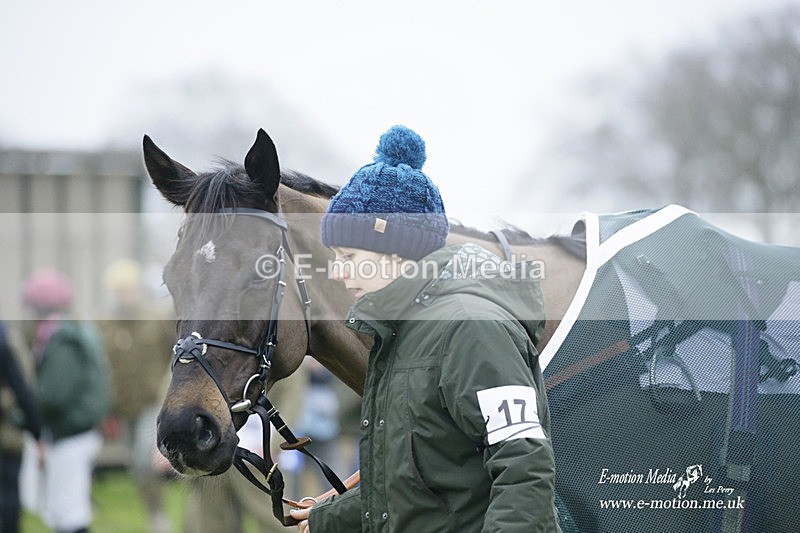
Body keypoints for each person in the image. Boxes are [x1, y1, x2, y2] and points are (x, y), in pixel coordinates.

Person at [290, 125, 560, 532]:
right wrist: (327, 520)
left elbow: (525, 468)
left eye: (349, 255)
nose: (341, 274)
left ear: (397, 248)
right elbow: (410, 483)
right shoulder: (399, 336)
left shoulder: (472, 328)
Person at [22, 268, 111, 533]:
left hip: (71, 434)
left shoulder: (63, 339)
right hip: (73, 431)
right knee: (63, 507)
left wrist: (20, 414)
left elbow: (53, 397)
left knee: (69, 511)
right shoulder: (68, 332)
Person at [97, 259, 174, 533]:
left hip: (153, 401)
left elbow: (173, 355)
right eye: (119, 290)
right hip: (121, 406)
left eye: (128, 289)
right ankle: (153, 510)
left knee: (145, 456)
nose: (124, 296)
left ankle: (160, 517)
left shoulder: (156, 318)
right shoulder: (103, 324)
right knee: (137, 466)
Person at [0, 320, 42, 533]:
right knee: (8, 494)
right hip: (6, 434)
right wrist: (37, 431)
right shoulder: (5, 336)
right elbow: (22, 388)